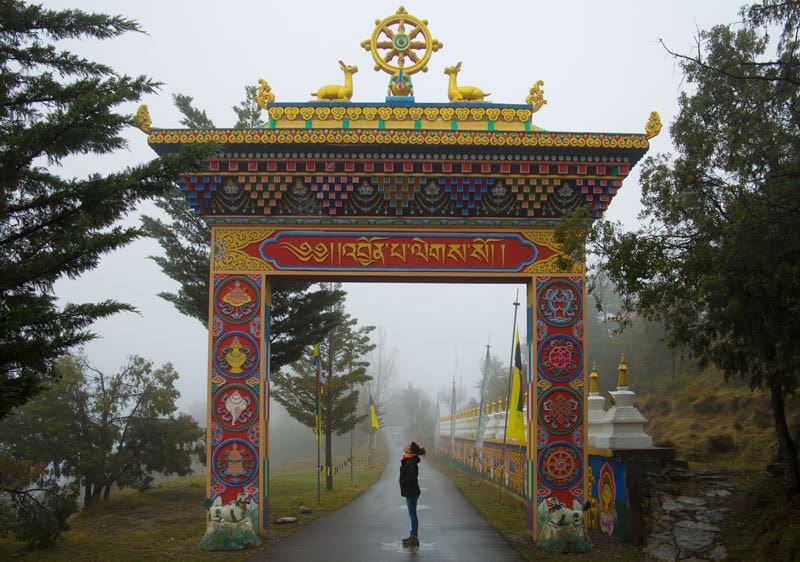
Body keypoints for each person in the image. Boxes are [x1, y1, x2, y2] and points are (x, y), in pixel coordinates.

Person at [399, 441, 426, 547]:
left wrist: (403, 482)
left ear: (410, 450)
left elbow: (411, 477)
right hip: (411, 491)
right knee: (412, 514)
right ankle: (413, 535)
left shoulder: (411, 461)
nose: (405, 446)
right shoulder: (409, 459)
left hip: (411, 491)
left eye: (407, 446)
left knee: (413, 514)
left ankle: (414, 537)